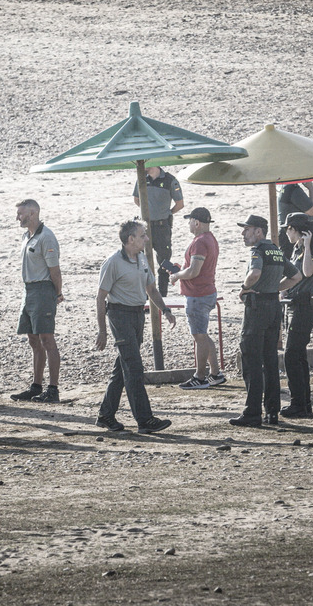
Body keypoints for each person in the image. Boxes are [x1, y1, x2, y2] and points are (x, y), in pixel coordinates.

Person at [94, 220, 174, 434]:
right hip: (119, 316)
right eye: (142, 235)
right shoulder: (112, 262)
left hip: (138, 315)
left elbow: (151, 289)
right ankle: (145, 420)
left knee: (123, 368)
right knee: (134, 368)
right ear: (130, 239)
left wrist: (165, 310)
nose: (147, 239)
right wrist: (102, 330)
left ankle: (105, 415)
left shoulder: (142, 258)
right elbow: (100, 297)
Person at [230, 215, 300, 428]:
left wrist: (244, 288)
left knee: (251, 360)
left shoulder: (258, 250)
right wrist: (273, 289)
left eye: (247, 229)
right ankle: (272, 411)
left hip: (258, 306)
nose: (243, 233)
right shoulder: (277, 251)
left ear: (258, 232)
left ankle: (252, 413)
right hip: (273, 307)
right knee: (270, 361)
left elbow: (254, 273)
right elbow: (296, 276)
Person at [10, 199, 65, 404]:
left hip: (43, 289)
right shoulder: (27, 236)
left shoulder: (47, 237)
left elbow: (55, 271)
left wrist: (57, 293)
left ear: (33, 213)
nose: (17, 217)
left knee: (47, 339)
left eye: (20, 213)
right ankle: (36, 386)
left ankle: (53, 389)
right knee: (33, 339)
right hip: (29, 290)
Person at [169, 207, 225, 390]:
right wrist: (180, 270)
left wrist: (177, 276)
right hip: (206, 292)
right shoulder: (210, 239)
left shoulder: (200, 242)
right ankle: (215, 373)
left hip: (197, 295)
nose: (188, 224)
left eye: (190, 220)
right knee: (203, 334)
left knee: (199, 336)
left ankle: (200, 377)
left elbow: (194, 271)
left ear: (197, 222)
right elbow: (195, 267)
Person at [278, 212, 313, 418]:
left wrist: (307, 245)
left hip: (304, 306)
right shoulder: (296, 249)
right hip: (294, 305)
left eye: (288, 229)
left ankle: (299, 403)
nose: (286, 233)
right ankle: (303, 403)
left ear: (296, 230)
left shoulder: (311, 250)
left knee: (291, 355)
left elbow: (307, 272)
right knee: (297, 356)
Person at [131, 166, 184, 297]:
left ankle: (163, 297)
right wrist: (148, 212)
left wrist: (166, 214)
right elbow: (136, 199)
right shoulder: (141, 179)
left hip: (162, 227)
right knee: (141, 263)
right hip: (144, 228)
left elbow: (180, 204)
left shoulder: (170, 180)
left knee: (164, 263)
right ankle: (145, 296)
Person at [277, 181, 313, 258]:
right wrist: (311, 188)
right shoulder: (293, 189)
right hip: (294, 233)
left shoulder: (283, 186)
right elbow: (312, 211)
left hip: (288, 231)